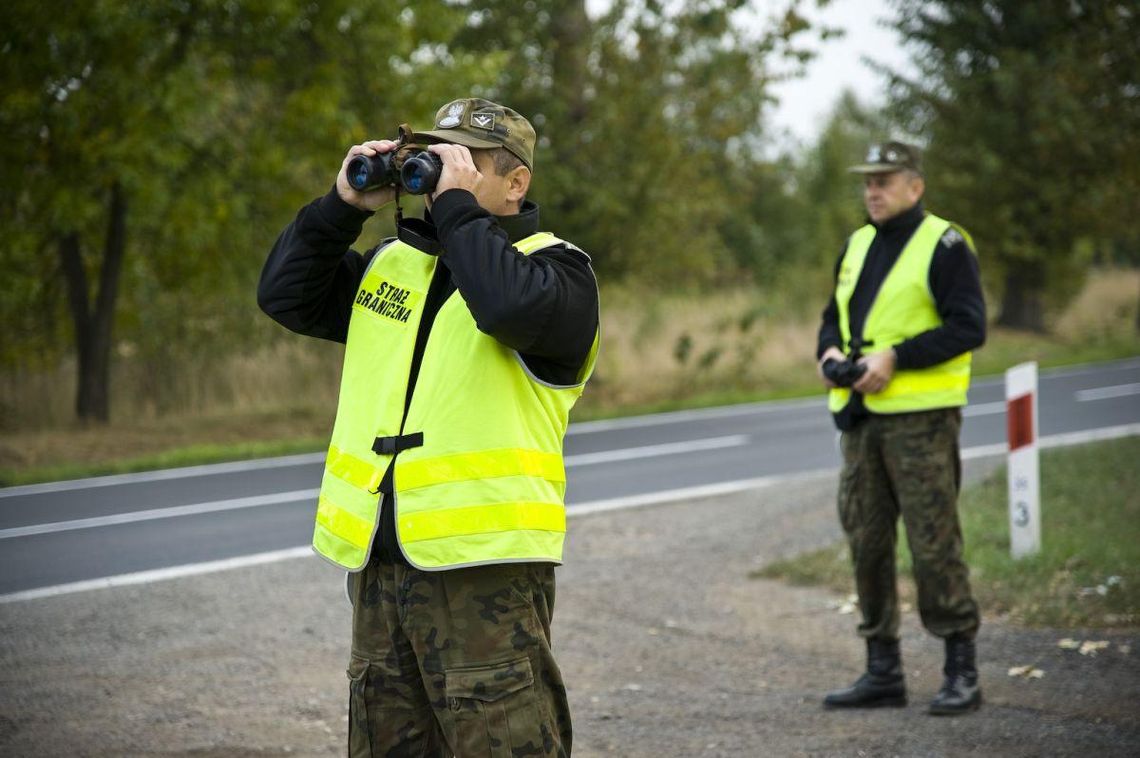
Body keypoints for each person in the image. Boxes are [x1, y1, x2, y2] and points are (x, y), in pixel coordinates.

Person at [258, 97, 598, 756]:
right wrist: (340, 208)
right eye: (433, 158)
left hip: (485, 576)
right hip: (381, 568)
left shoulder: (559, 274)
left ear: (516, 182)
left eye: (464, 162)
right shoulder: (392, 266)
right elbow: (285, 295)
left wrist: (456, 208)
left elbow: (502, 306)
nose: (442, 174)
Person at [816, 141, 986, 716]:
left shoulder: (945, 243)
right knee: (866, 543)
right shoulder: (857, 243)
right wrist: (829, 354)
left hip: (921, 422)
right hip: (861, 422)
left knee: (934, 544)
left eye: (884, 181)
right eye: (868, 182)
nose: (873, 191)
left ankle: (961, 667)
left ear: (916, 186)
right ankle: (881, 670)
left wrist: (895, 358)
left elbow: (968, 327)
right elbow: (830, 320)